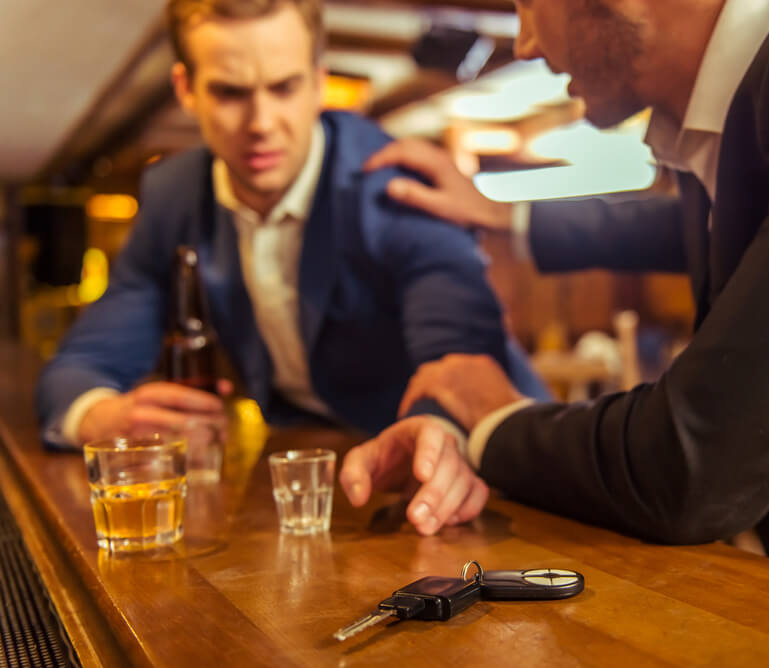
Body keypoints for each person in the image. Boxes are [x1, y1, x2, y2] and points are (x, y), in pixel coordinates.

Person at [340, 0, 769, 621]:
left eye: (527, 5)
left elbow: (687, 461)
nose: (524, 43)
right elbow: (754, 216)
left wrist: (492, 415)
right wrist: (512, 217)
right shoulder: (745, 103)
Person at [35, 0, 549, 492]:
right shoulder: (173, 196)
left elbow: (461, 362)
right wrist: (101, 417)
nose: (261, 124)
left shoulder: (397, 182)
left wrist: (439, 438)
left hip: (495, 467)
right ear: (186, 89)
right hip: (315, 472)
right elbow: (79, 367)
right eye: (231, 93)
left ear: (319, 82)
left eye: (284, 87)